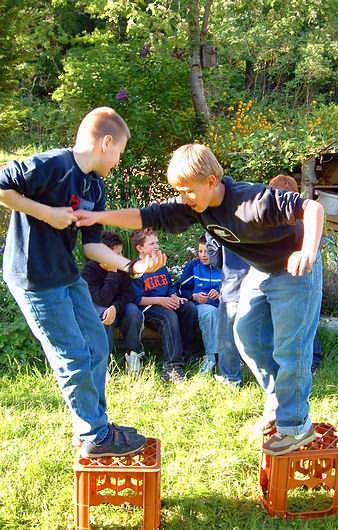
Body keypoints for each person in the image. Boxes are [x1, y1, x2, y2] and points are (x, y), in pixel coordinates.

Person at [75, 143, 324, 456]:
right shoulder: (194, 205)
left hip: (295, 268)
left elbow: (313, 209)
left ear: (210, 181)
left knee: (291, 347)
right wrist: (96, 215)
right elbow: (142, 216)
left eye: (187, 191)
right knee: (246, 337)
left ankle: (295, 425)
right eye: (179, 191)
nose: (183, 198)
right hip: (262, 271)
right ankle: (280, 403)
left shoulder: (252, 200)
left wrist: (308, 252)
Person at [0, 106, 166, 458]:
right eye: (119, 152)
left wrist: (132, 266)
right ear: (106, 142)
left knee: (96, 343)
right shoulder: (52, 165)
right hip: (33, 277)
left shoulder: (95, 186)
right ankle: (95, 433)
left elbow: (92, 247)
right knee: (72, 355)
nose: (119, 162)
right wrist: (46, 213)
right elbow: (2, 187)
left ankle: (96, 425)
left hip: (66, 274)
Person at [268, 174, 324, 374]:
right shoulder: (274, 216)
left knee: (305, 322)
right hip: (282, 279)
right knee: (297, 325)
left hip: (303, 278)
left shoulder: (303, 219)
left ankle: (312, 362)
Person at [130, 228, 199, 383]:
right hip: (148, 308)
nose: (156, 246)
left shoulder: (159, 264)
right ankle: (172, 367)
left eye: (157, 242)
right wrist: (161, 300)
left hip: (165, 301)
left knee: (188, 308)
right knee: (169, 316)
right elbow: (136, 299)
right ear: (139, 248)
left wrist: (174, 297)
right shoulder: (136, 269)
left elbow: (169, 287)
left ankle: (190, 354)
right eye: (151, 243)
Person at [82, 230, 144, 374]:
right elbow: (101, 299)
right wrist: (112, 273)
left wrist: (115, 307)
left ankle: (133, 354)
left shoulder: (123, 268)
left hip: (119, 309)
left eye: (121, 253)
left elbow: (128, 295)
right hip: (98, 311)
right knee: (105, 314)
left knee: (133, 311)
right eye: (117, 255)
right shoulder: (89, 271)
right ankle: (104, 363)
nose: (121, 258)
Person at [205, 235, 249, 386]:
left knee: (227, 335)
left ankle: (231, 378)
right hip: (263, 280)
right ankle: (273, 378)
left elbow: (214, 258)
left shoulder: (219, 220)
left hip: (234, 282)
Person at [178, 234, 222, 374]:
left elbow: (235, 286)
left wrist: (221, 294)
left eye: (208, 251)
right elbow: (179, 288)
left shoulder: (223, 266)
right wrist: (194, 296)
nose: (203, 255)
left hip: (222, 304)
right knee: (209, 313)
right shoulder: (194, 266)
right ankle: (210, 357)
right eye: (200, 251)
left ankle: (232, 356)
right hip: (201, 306)